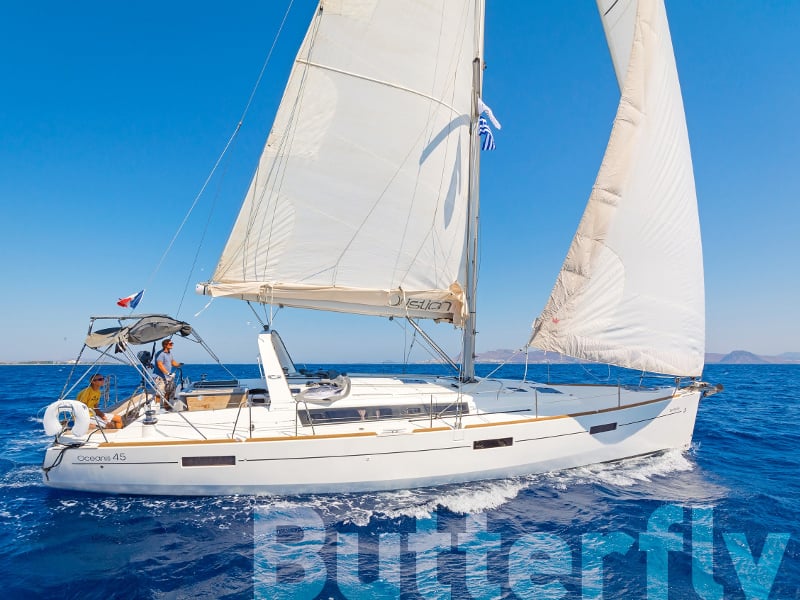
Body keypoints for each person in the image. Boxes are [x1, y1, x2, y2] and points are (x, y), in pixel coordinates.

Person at [153, 339, 183, 403]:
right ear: (165, 345)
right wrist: (168, 373)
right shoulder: (161, 354)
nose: (172, 345)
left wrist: (178, 364)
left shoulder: (169, 353)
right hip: (160, 377)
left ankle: (167, 406)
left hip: (167, 377)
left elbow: (172, 362)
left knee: (169, 391)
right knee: (159, 393)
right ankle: (156, 406)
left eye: (172, 343)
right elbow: (160, 365)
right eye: (170, 344)